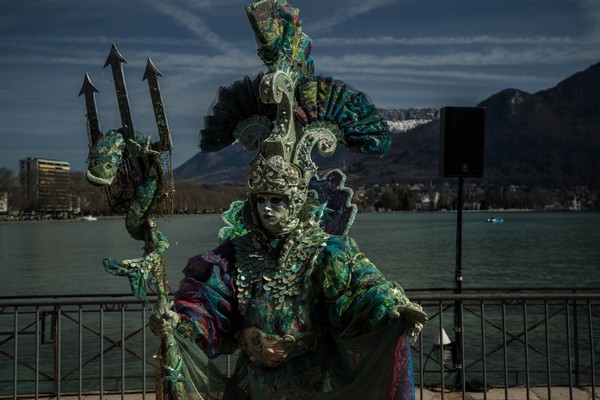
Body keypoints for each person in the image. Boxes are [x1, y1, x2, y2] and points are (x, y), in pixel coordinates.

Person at [150, 1, 427, 398]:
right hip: (253, 387)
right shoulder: (232, 256)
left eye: (278, 201)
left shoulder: (324, 252)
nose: (268, 209)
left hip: (312, 383)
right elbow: (208, 305)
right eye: (262, 200)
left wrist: (391, 310)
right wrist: (180, 323)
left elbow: (360, 290)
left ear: (298, 202)